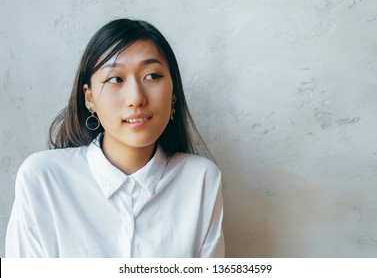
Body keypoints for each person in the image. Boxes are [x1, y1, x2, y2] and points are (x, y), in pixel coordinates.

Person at [5, 18, 224, 257]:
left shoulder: (200, 180)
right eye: (115, 79)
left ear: (173, 93)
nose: (136, 98)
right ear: (89, 99)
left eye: (152, 76)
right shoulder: (43, 178)